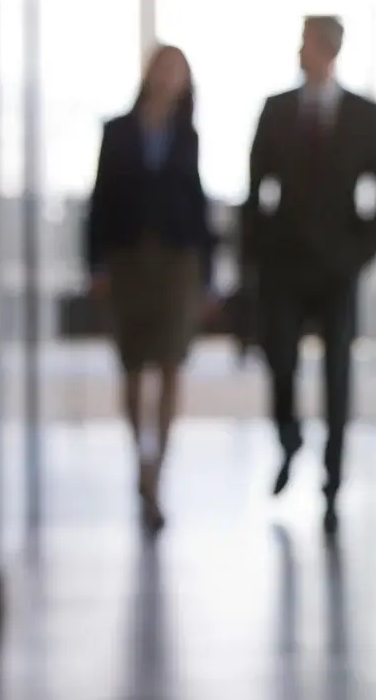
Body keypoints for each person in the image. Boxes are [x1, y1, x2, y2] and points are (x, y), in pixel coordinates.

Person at [239, 15, 376, 535]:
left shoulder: (363, 113)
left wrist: (363, 248)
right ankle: (289, 440)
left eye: (311, 43)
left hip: (337, 266)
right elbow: (256, 185)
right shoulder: (277, 109)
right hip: (284, 263)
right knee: (280, 359)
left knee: (336, 376)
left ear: (330, 49)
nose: (304, 51)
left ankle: (333, 481)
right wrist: (255, 252)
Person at [86, 44, 216, 532]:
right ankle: (138, 460)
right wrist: (95, 264)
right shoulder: (118, 131)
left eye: (177, 71)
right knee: (133, 365)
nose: (168, 78)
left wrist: (208, 276)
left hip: (177, 264)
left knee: (170, 362)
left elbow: (197, 204)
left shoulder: (188, 135)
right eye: (163, 68)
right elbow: (99, 201)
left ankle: (156, 470)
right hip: (127, 262)